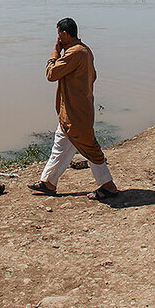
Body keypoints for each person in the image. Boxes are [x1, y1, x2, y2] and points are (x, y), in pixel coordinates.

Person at [29, 17, 119, 200]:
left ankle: (108, 186)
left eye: (59, 35)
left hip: (76, 113)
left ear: (64, 34)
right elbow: (93, 76)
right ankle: (48, 182)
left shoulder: (74, 53)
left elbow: (51, 74)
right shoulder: (85, 51)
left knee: (89, 148)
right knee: (61, 144)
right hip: (75, 110)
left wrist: (55, 53)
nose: (58, 39)